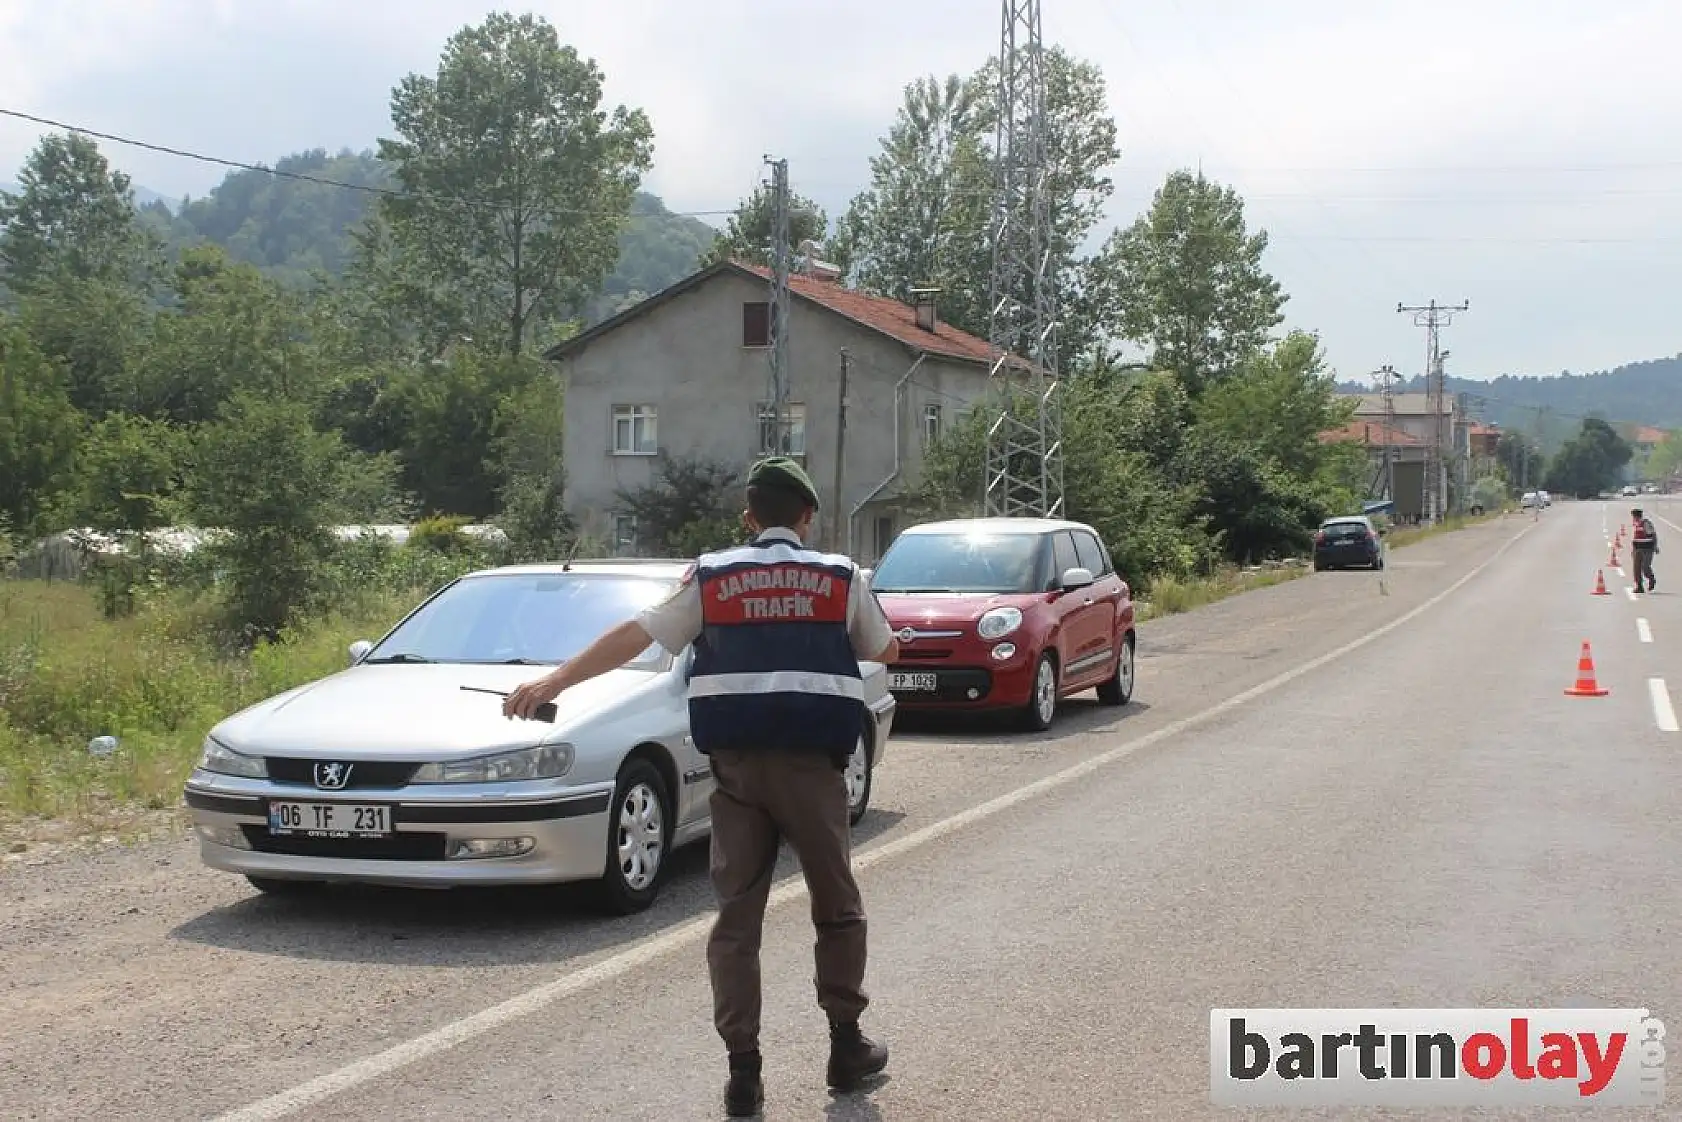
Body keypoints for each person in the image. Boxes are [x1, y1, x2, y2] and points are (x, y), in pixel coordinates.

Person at [503, 456, 899, 1117]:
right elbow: (885, 650)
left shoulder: (712, 576)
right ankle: (845, 1045)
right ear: (807, 517)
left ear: (748, 517)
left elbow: (637, 634)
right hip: (813, 771)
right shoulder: (838, 576)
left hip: (738, 774)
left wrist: (554, 682)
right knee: (837, 907)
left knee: (737, 921)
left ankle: (743, 1074)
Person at [1631, 507, 1658, 593]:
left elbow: (1653, 535)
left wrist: (1655, 546)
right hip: (1637, 548)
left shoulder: (1646, 523)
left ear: (1637, 516)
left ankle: (1651, 579)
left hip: (1647, 549)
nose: (1633, 518)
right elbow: (1635, 537)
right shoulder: (1635, 524)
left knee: (1645, 567)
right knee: (1636, 568)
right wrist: (1633, 549)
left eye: (1634, 516)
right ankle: (1639, 587)